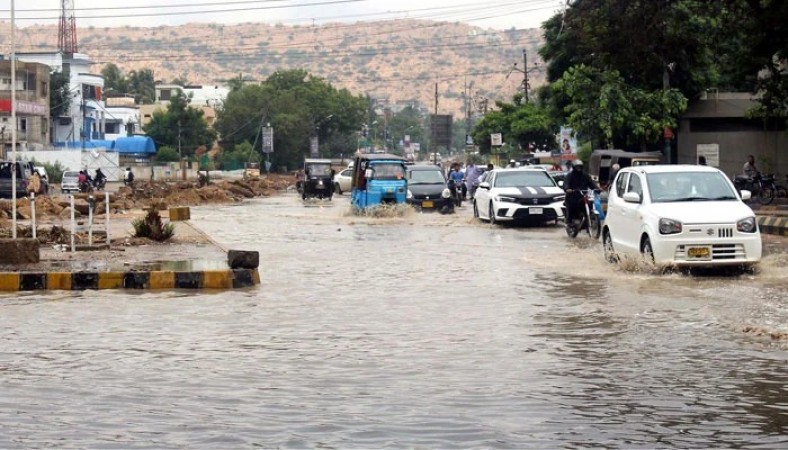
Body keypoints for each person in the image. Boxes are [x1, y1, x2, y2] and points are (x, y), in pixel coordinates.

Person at [563, 160, 599, 229]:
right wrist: (567, 189)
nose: (578, 169)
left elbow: (591, 184)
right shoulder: (569, 175)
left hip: (583, 196)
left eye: (580, 167)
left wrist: (597, 189)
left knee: (590, 203)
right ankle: (569, 221)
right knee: (571, 205)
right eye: (577, 167)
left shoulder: (585, 175)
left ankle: (588, 219)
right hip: (572, 196)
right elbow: (566, 184)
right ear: (574, 167)